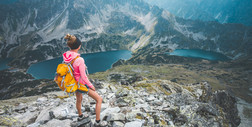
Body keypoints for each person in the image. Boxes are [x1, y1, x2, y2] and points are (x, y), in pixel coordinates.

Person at [63, 34, 105, 126]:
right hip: (81, 83)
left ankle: (80, 116)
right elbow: (84, 76)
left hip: (73, 82)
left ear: (69, 45)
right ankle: (97, 122)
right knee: (99, 99)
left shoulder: (66, 56)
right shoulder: (80, 60)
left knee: (79, 98)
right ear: (79, 46)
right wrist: (91, 85)